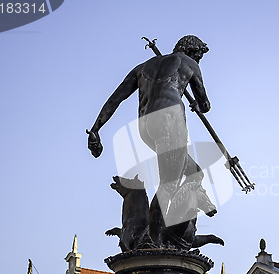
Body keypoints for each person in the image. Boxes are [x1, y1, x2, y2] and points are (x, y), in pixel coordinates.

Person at [87, 35, 216, 228]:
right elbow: (205, 104)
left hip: (146, 126)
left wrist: (96, 129)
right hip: (170, 120)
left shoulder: (143, 67)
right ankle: (153, 237)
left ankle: (173, 221)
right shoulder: (189, 63)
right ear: (192, 51)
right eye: (199, 55)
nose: (198, 60)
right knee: (169, 183)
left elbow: (116, 99)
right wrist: (198, 104)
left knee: (194, 172)